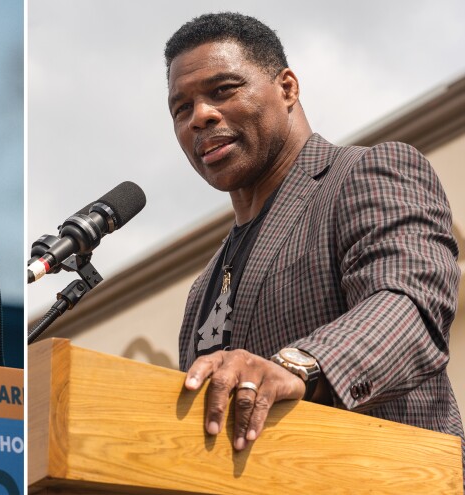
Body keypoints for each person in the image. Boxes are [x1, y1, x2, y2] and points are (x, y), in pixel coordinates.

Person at [166, 12, 463, 465]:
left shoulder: (365, 173)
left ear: (287, 88)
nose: (200, 117)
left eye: (222, 90)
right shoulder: (202, 289)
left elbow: (409, 304)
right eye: (181, 108)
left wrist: (296, 367)